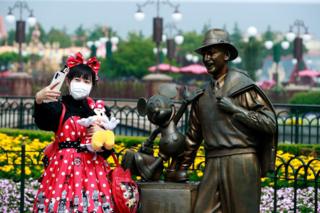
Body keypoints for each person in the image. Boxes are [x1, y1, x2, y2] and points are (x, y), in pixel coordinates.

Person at [172, 29, 277, 213]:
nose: (207, 58)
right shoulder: (202, 97)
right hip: (213, 163)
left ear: (226, 55)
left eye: (212, 52)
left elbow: (270, 124)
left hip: (241, 162)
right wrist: (181, 168)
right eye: (204, 54)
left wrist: (236, 110)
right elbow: (192, 138)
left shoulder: (244, 88)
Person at [33, 52, 115, 212]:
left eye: (86, 80)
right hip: (62, 170)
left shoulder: (99, 110)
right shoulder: (58, 106)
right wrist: (38, 101)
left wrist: (101, 135)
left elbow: (107, 151)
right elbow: (42, 123)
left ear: (92, 84)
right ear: (68, 81)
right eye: (77, 79)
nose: (81, 83)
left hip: (93, 172)